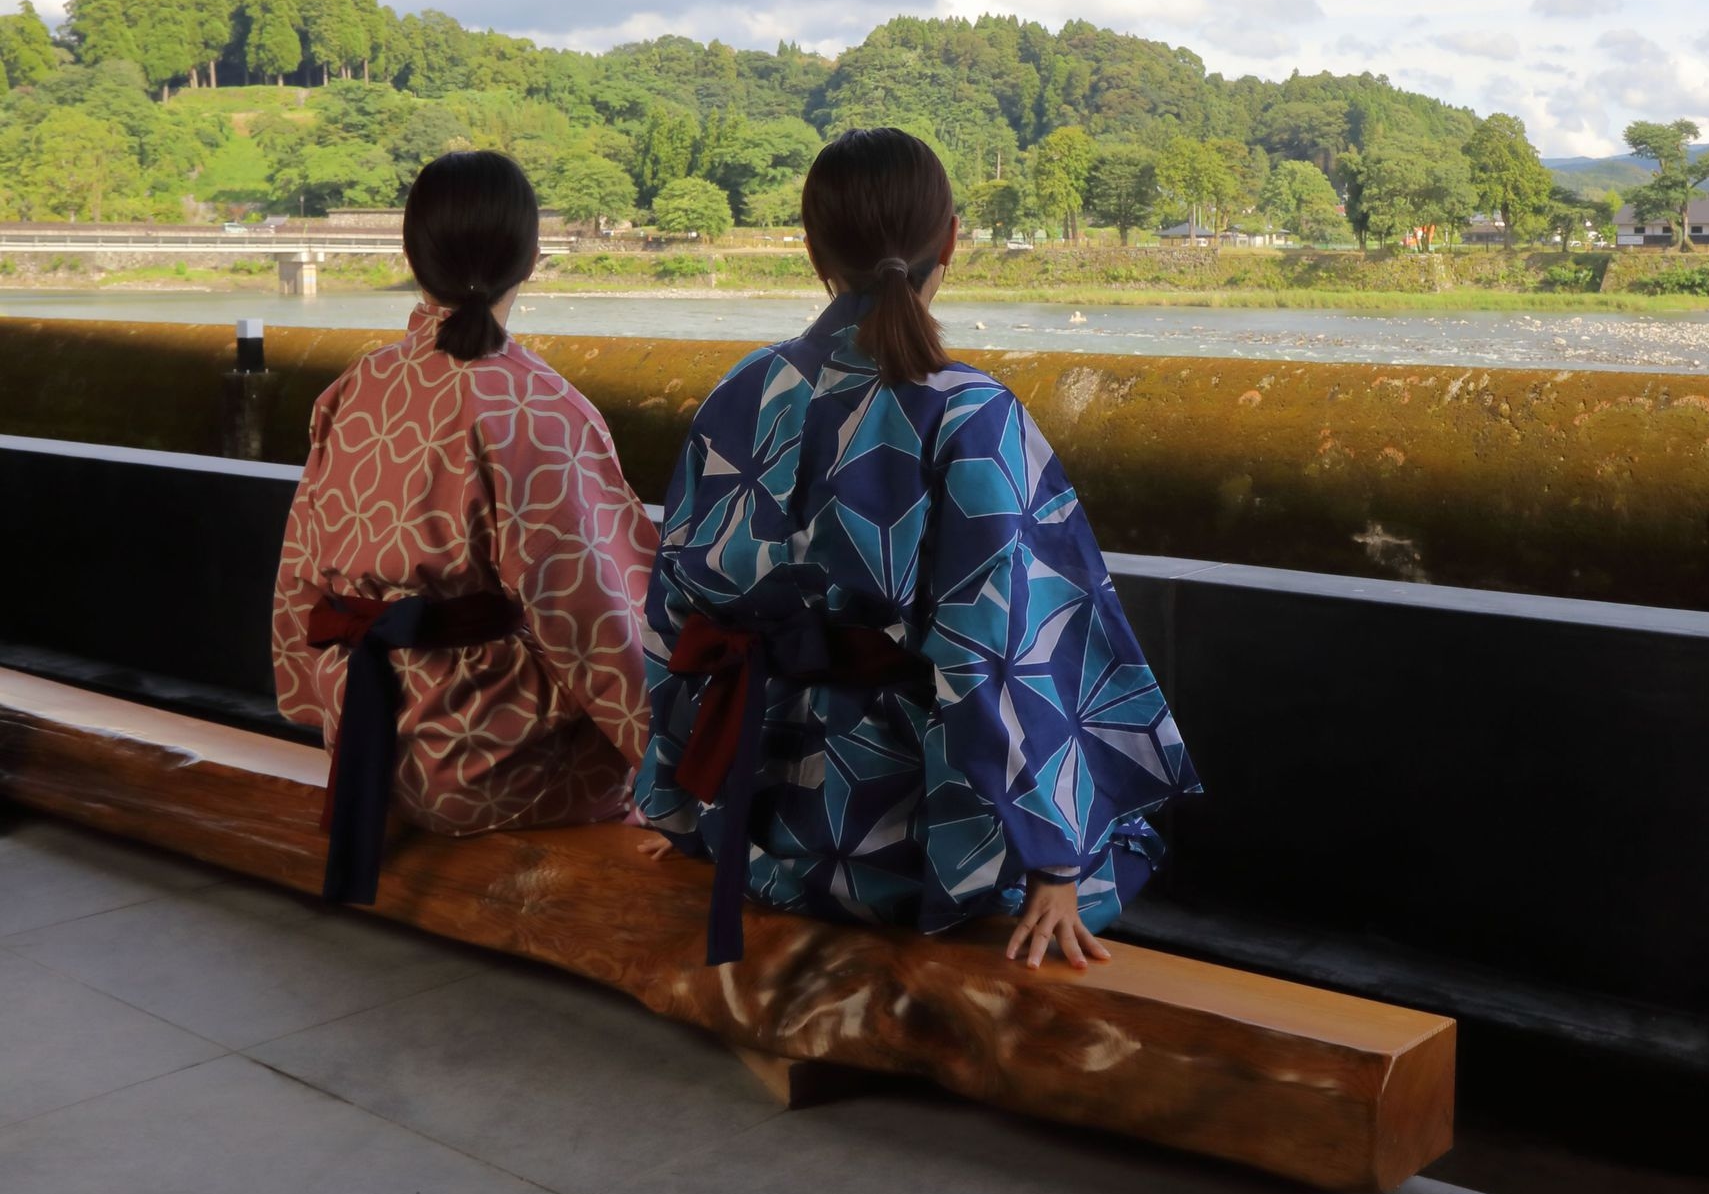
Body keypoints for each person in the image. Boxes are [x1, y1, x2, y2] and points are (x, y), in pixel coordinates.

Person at [639, 127, 1199, 969]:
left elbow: (677, 616)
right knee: (1121, 836)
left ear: (811, 250)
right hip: (913, 855)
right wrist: (1054, 857)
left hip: (761, 823)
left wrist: (672, 801)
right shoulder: (974, 414)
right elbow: (998, 654)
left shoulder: (741, 391)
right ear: (951, 239)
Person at [269, 150, 655, 906]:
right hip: (487, 764)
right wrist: (676, 768)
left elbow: (300, 572)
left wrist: (314, 706)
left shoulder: (356, 387)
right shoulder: (542, 409)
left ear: (412, 258)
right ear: (533, 259)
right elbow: (597, 622)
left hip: (369, 737)